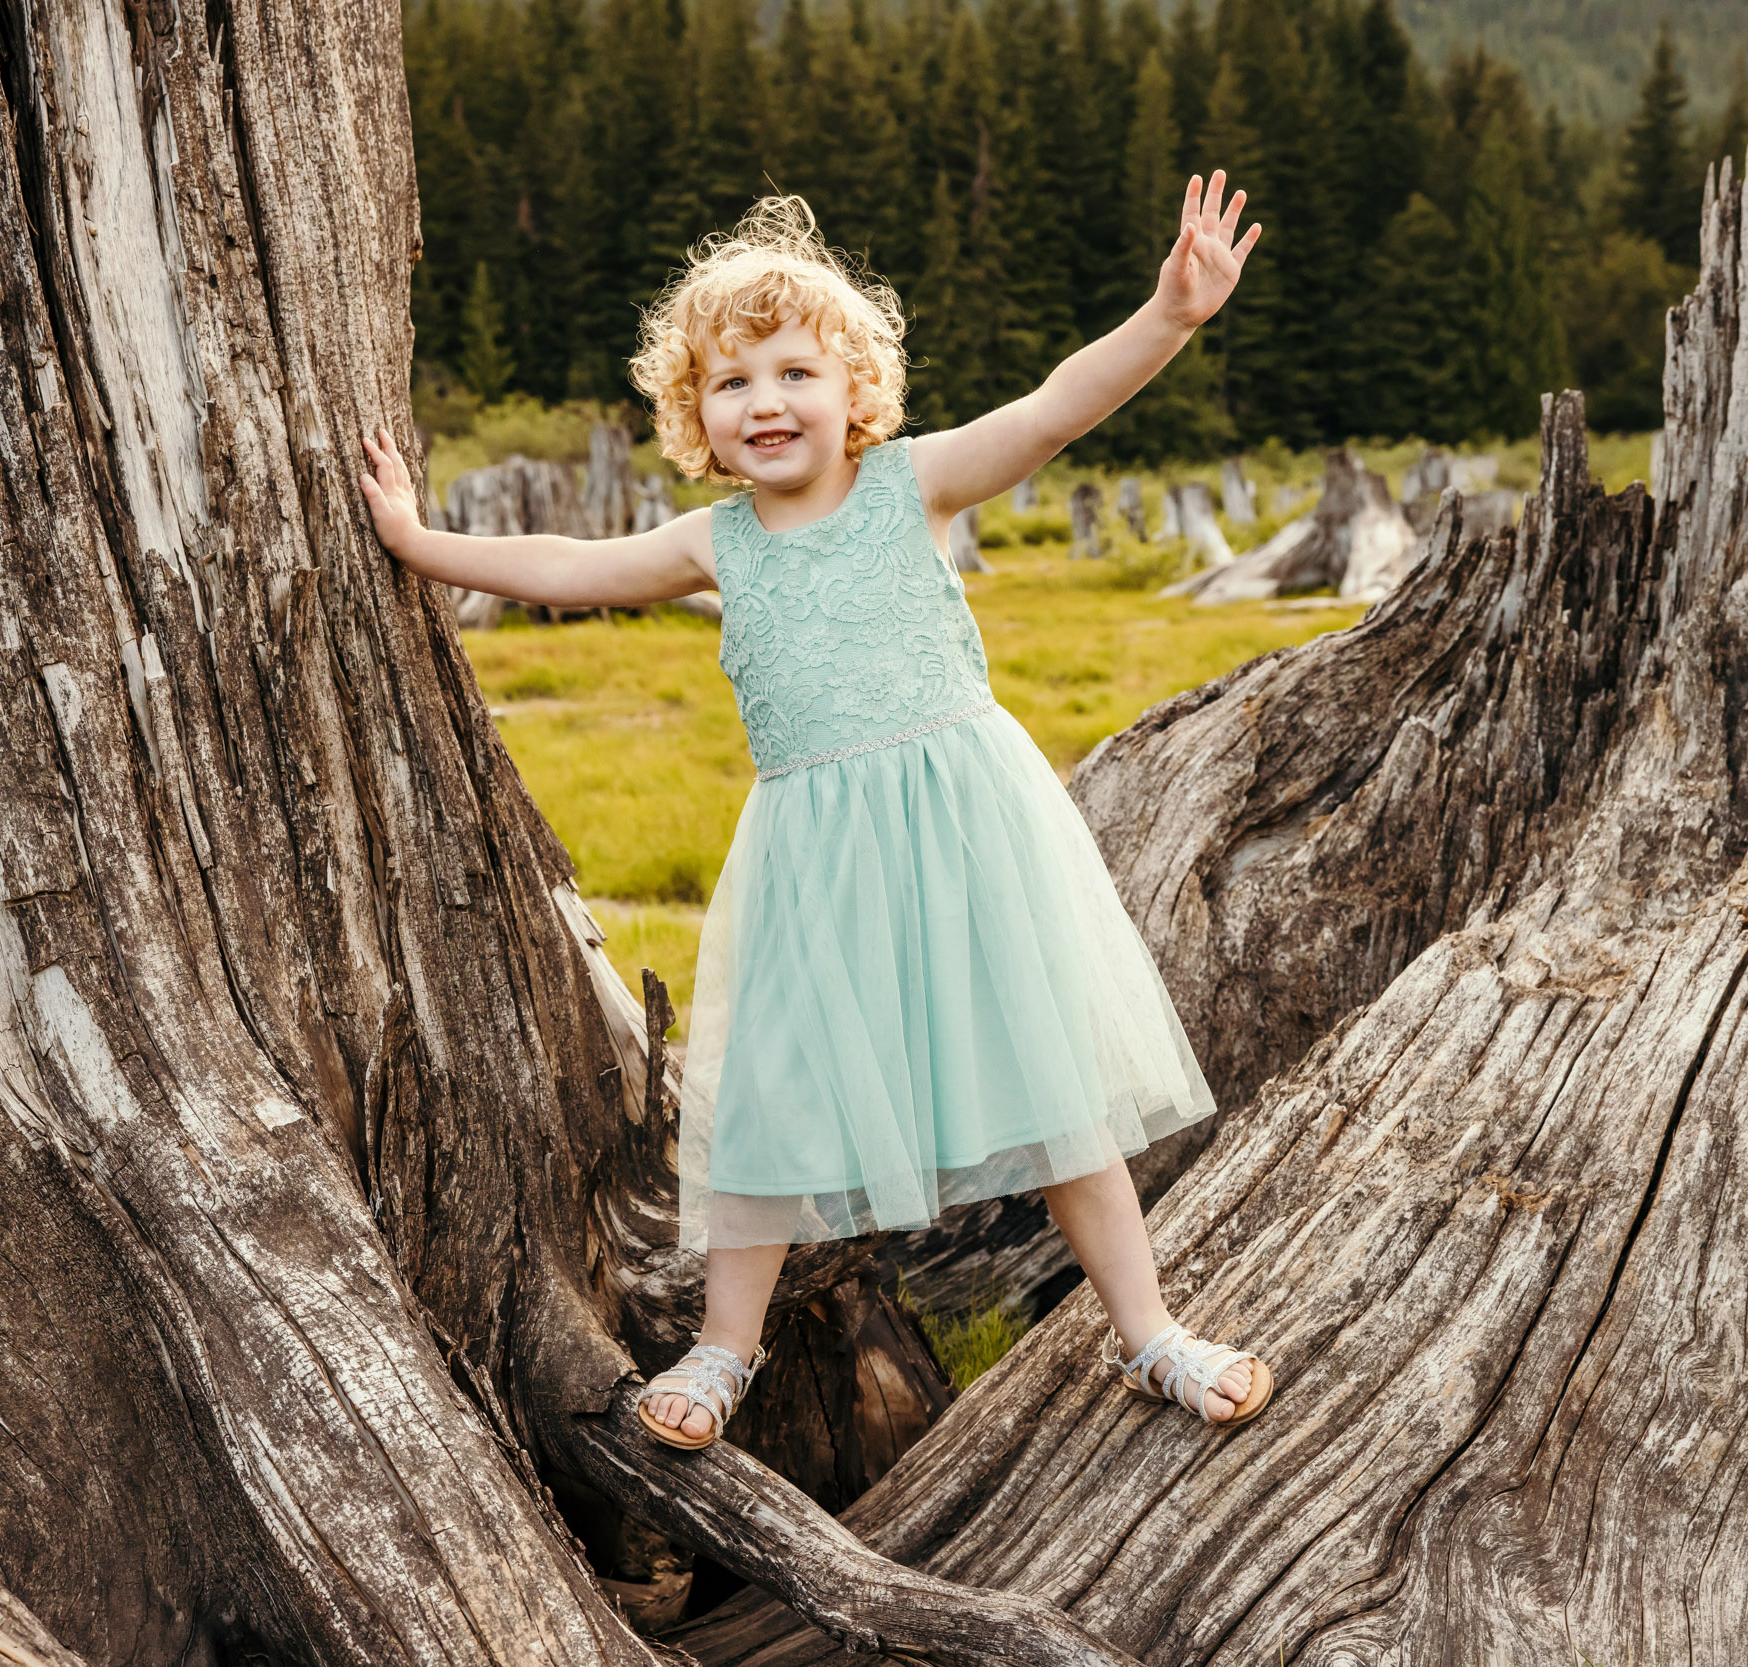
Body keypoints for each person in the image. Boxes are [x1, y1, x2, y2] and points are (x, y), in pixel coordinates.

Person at [358, 172, 1272, 1448]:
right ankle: (724, 1351)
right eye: (731, 383)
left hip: (968, 834)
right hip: (811, 854)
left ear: (857, 392)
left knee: (1057, 1090)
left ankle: (1150, 1332)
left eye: (795, 370)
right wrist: (418, 540)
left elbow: (1058, 404)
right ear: (698, 417)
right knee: (769, 1101)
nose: (766, 400)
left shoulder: (916, 486)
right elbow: (564, 571)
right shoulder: (714, 544)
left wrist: (1170, 314)